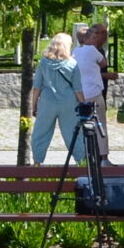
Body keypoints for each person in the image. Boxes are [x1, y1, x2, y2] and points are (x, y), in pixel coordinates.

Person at [30, 33, 86, 164]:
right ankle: (81, 163)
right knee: (73, 133)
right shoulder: (72, 63)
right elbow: (78, 88)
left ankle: (37, 162)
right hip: (69, 103)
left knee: (41, 133)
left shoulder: (43, 62)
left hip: (47, 102)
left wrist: (33, 105)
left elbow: (37, 86)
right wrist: (84, 104)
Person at [72, 25, 108, 125]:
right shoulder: (92, 50)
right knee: (100, 123)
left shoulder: (75, 51)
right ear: (87, 38)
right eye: (94, 38)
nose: (96, 40)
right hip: (94, 91)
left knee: (83, 122)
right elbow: (104, 63)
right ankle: (100, 140)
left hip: (80, 93)